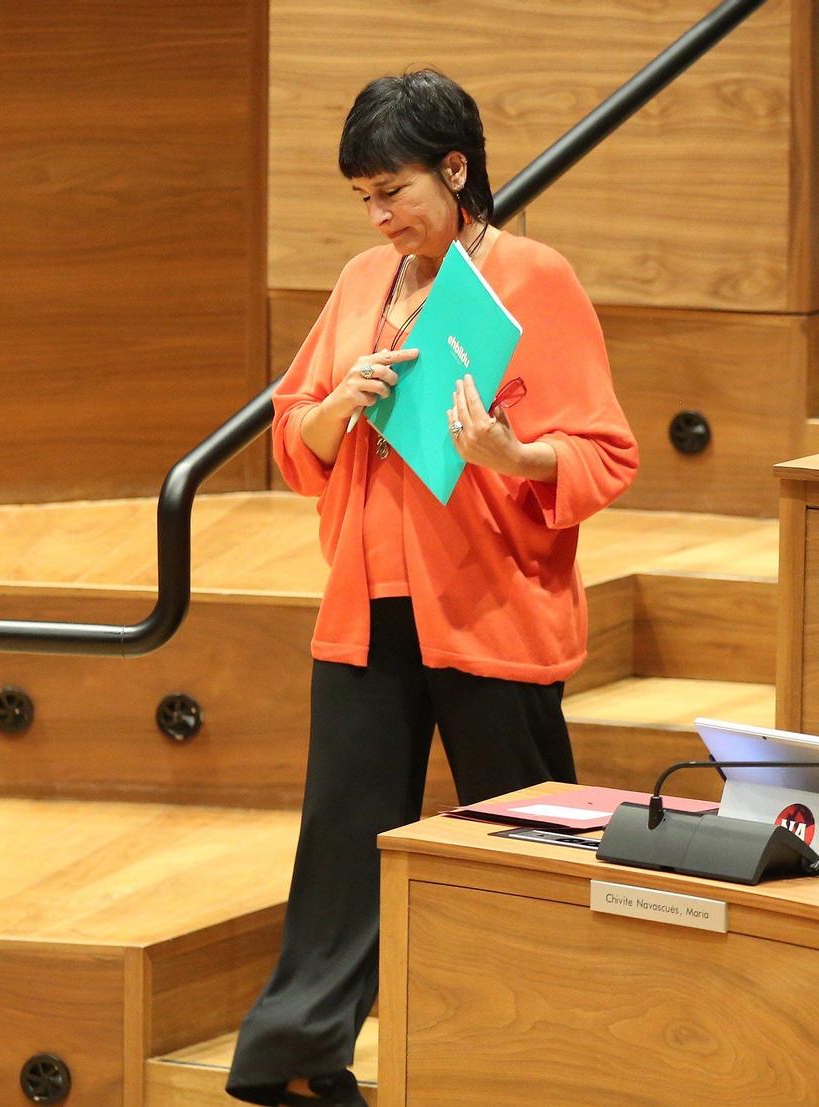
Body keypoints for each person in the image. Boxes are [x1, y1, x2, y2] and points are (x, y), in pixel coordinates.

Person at [226, 70, 638, 1106]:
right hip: (370, 597)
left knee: (525, 828)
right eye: (362, 195)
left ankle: (546, 1056)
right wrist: (337, 411)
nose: (377, 215)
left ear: (455, 171)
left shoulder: (530, 277)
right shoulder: (361, 280)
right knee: (342, 838)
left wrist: (508, 452)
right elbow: (294, 433)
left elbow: (605, 453)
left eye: (393, 190)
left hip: (489, 599)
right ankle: (298, 1052)